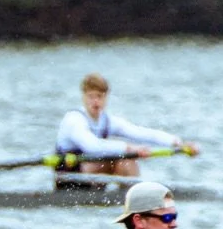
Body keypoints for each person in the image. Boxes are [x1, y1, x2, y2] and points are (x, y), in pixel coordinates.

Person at [55, 73, 200, 186]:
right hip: (69, 180)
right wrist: (129, 149)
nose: (95, 102)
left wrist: (178, 143)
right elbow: (93, 146)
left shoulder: (107, 121)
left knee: (128, 162)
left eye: (99, 96)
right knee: (125, 156)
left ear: (106, 98)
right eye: (91, 96)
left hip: (92, 177)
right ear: (83, 97)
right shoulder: (74, 120)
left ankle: (134, 200)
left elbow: (140, 133)